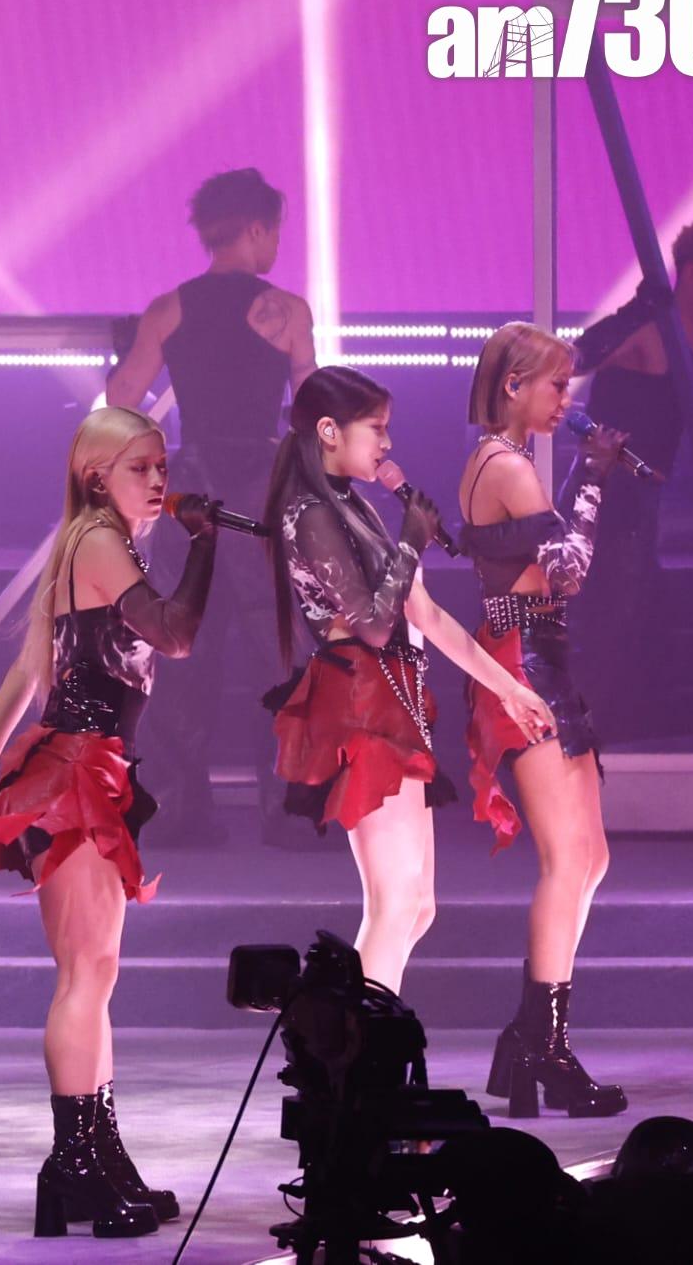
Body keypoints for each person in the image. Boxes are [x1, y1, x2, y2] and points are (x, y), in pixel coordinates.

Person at [0, 406, 216, 1239]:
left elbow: (32, 663)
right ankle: (73, 1162)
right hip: (79, 770)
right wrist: (205, 544)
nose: (158, 480)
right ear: (97, 476)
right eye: (140, 468)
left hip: (90, 764)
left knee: (95, 972)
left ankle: (98, 1153)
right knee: (86, 973)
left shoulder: (90, 541)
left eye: (162, 466)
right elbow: (175, 634)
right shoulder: (97, 541)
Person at [261, 368, 554, 993]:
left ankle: (363, 1029)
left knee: (418, 905)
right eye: (377, 429)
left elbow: (427, 615)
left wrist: (511, 689)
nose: (388, 443)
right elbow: (371, 625)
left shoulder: (355, 506)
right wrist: (411, 544)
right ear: (329, 431)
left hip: (394, 696)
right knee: (394, 903)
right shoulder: (310, 515)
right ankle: (356, 1042)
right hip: (360, 700)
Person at [107, 168, 316, 847]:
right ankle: (289, 812)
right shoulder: (287, 310)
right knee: (278, 648)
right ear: (256, 228)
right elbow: (311, 408)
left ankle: (176, 811)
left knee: (184, 648)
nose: (277, 244)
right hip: (260, 494)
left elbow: (121, 399)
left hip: (191, 492)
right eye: (275, 231)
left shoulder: (169, 309)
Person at [459, 323, 631, 1119]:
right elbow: (566, 572)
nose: (568, 399)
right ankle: (546, 1049)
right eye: (556, 384)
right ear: (513, 385)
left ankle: (531, 1036)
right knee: (567, 859)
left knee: (590, 857)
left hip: (542, 654)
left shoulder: (508, 461)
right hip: (520, 660)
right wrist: (593, 477)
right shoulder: (504, 465)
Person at [571, 219, 693, 739]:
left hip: (634, 502)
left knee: (637, 631)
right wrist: (633, 312)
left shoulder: (678, 335)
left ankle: (609, 747)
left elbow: (681, 390)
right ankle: (582, 752)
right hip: (612, 502)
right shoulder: (653, 327)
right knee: (613, 632)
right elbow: (579, 356)